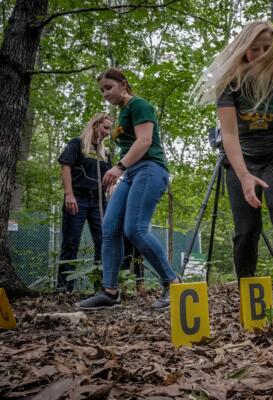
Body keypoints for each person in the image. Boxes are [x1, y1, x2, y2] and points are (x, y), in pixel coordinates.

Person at [193, 20, 273, 310]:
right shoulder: (232, 81)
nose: (261, 55)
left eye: (267, 49)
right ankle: (248, 293)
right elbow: (229, 134)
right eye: (254, 50)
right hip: (242, 158)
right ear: (243, 48)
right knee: (246, 228)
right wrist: (243, 175)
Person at [76, 68, 181, 310]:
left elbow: (144, 141)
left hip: (150, 169)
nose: (105, 93)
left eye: (108, 87)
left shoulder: (139, 105)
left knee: (135, 229)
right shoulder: (122, 114)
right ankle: (110, 291)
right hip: (131, 173)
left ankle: (173, 283)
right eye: (102, 90)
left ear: (123, 84)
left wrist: (119, 167)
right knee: (110, 227)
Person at [57, 113, 112, 292]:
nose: (108, 132)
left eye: (110, 129)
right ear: (95, 125)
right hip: (78, 198)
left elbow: (111, 176)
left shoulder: (106, 152)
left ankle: (101, 287)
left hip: (99, 202)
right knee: (71, 242)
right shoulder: (77, 144)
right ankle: (64, 288)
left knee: (103, 241)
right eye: (106, 127)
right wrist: (69, 194)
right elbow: (65, 167)